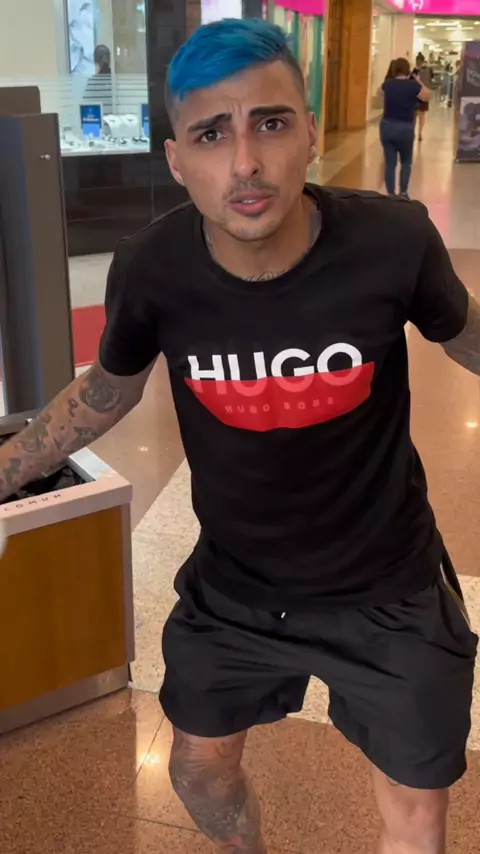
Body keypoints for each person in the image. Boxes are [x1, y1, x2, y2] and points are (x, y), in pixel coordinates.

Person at [0, 18, 477, 854]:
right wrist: (6, 470)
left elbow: (469, 337)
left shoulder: (394, 241)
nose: (245, 162)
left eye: (271, 122)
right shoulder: (152, 267)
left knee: (417, 808)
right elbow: (107, 390)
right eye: (211, 134)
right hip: (236, 587)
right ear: (176, 158)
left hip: (389, 586)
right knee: (198, 771)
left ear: (310, 132)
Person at [381, 57, 430, 199]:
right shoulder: (413, 86)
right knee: (406, 162)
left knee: (390, 163)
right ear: (408, 70)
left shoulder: (387, 85)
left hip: (387, 127)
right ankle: (403, 193)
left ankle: (390, 194)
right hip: (405, 128)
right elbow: (427, 96)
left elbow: (379, 94)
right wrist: (418, 80)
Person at [412, 53, 432, 141]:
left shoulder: (414, 71)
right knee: (422, 115)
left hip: (416, 94)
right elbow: (430, 80)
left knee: (415, 115)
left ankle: (414, 132)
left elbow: (411, 82)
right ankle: (420, 132)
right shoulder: (429, 70)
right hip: (424, 93)